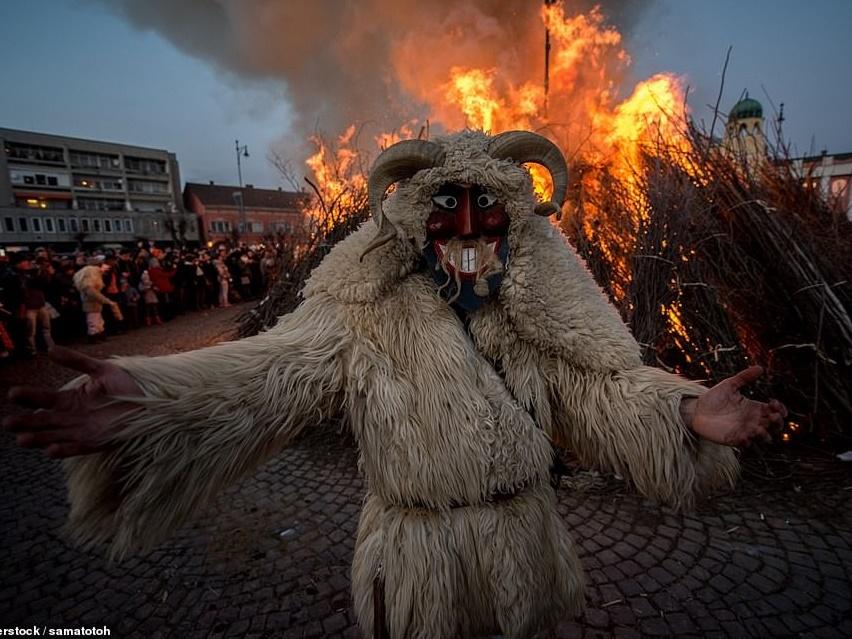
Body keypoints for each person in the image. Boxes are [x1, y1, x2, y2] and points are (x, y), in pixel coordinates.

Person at [4, 131, 786, 639]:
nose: (472, 228)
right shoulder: (362, 311)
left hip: (524, 554)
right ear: (417, 220)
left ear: (515, 222)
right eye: (450, 208)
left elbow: (601, 392)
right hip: (419, 569)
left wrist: (684, 410)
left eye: (490, 212)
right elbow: (267, 374)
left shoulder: (529, 320)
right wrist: (146, 402)